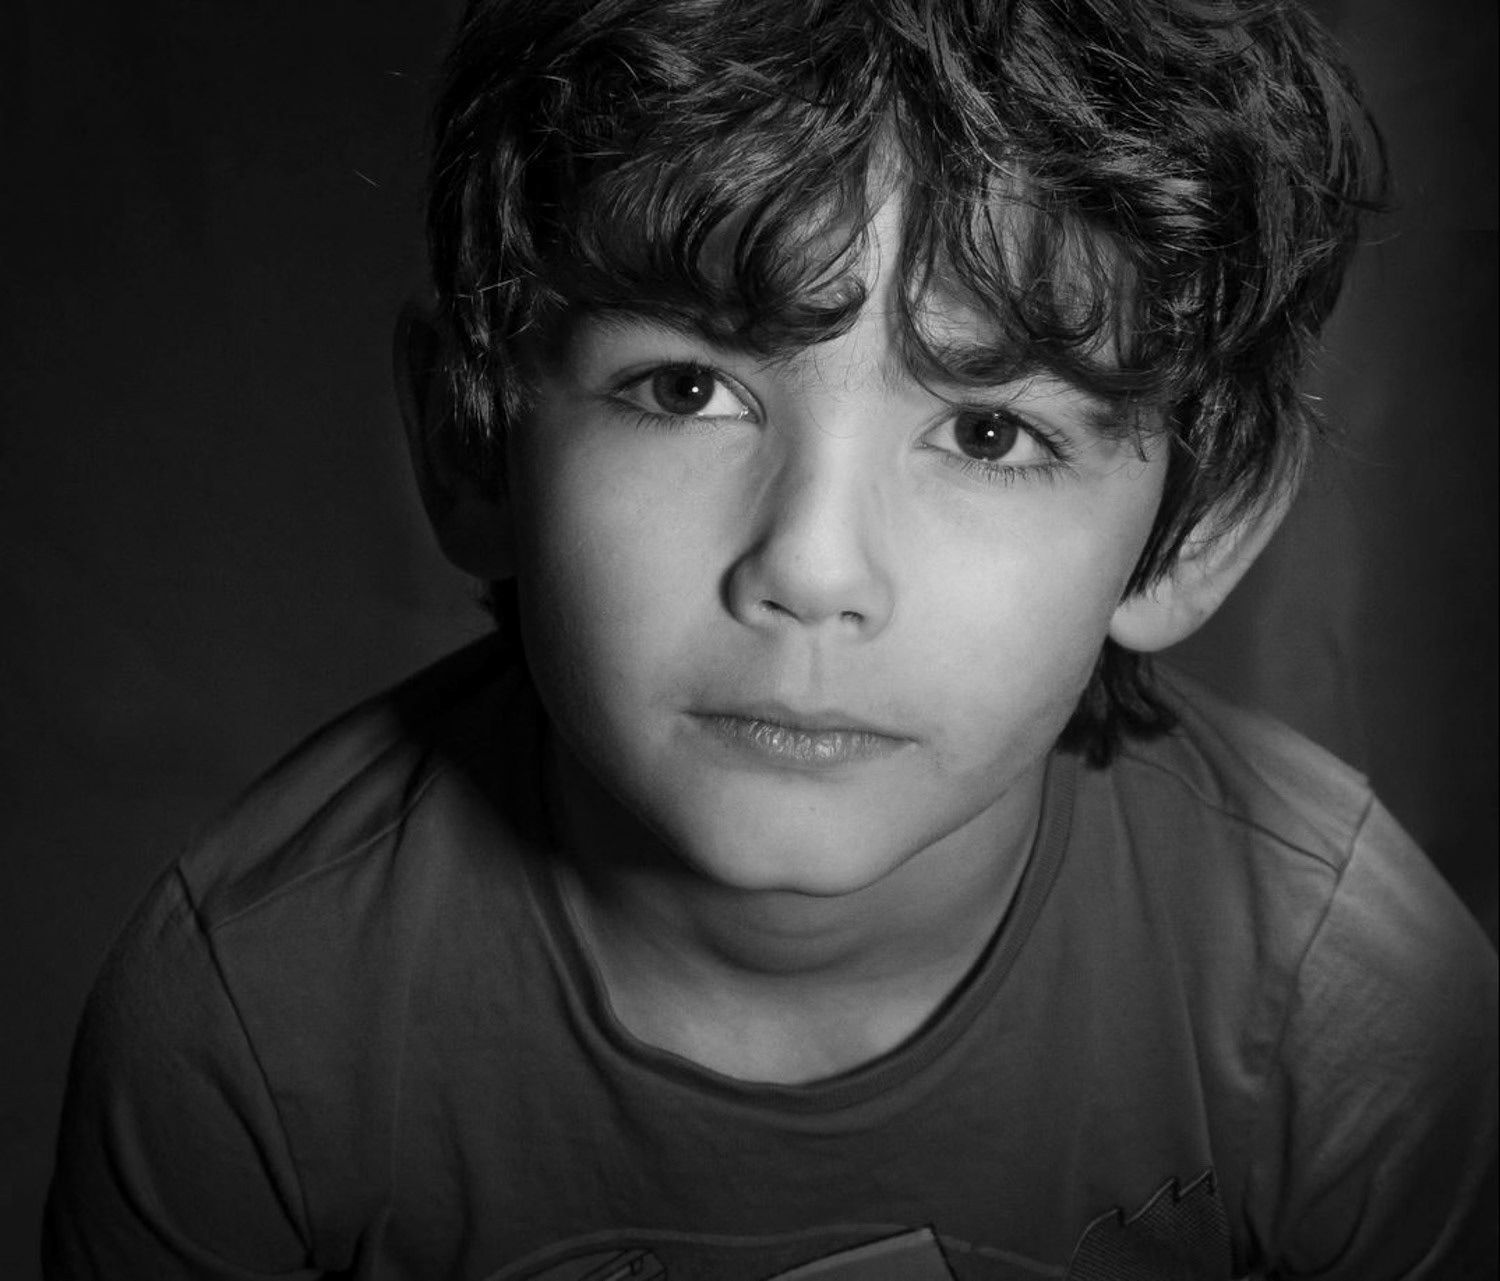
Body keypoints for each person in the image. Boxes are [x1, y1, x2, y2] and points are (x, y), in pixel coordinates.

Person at [42, 0, 1497, 1277]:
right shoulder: (246, 1025)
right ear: (474, 440)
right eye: (685, 389)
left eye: (989, 432)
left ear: (1193, 526)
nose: (811, 568)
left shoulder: (1346, 1007)